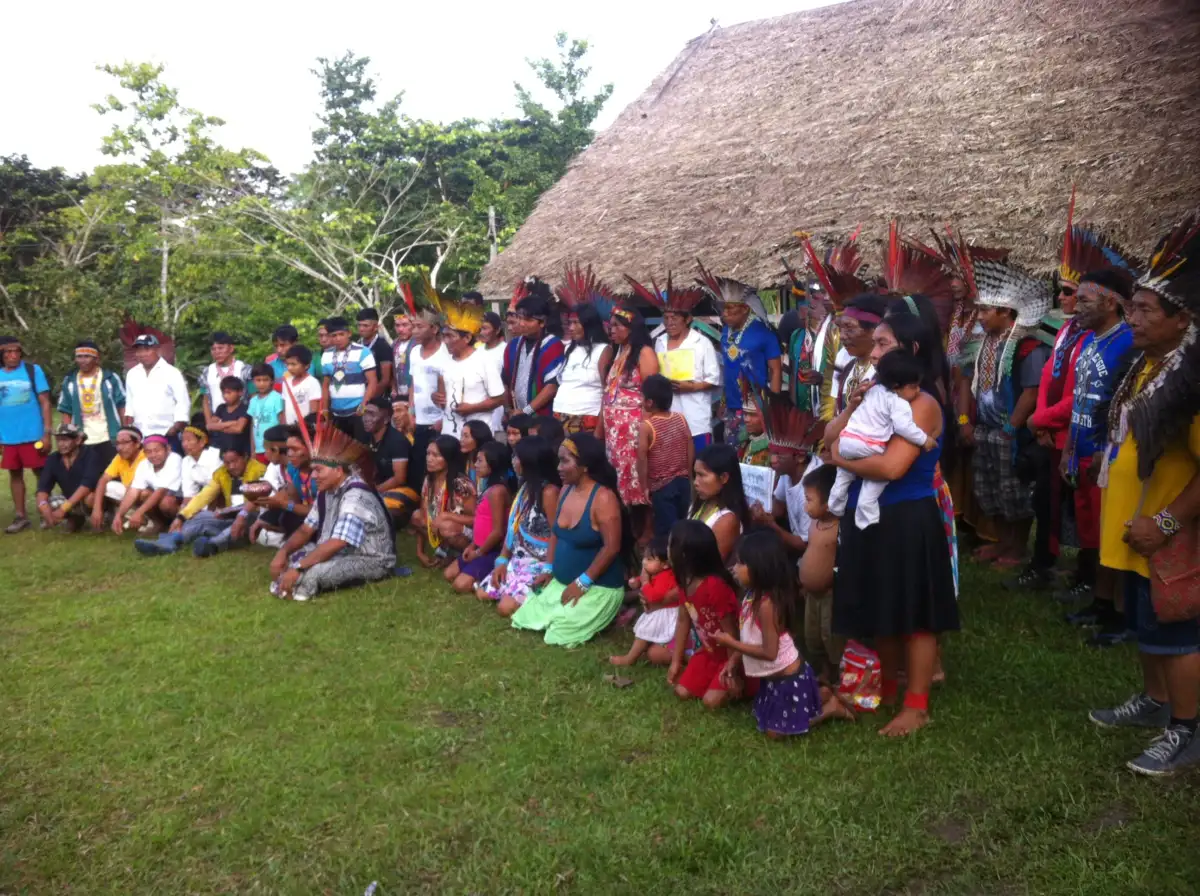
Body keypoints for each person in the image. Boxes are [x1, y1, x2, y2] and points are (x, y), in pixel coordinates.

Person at [1087, 220, 1200, 776]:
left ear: (1183, 319)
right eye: (1130, 308)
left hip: (1169, 530)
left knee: (1177, 631)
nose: (1131, 318)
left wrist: (1169, 524)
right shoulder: (1147, 364)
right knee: (1148, 620)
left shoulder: (1193, 380)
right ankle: (1157, 703)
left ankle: (1187, 729)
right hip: (1137, 526)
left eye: (1145, 311)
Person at [827, 306, 959, 737]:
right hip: (870, 515)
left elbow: (890, 468)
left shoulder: (922, 403)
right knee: (880, 601)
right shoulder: (876, 392)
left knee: (916, 613)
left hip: (907, 515)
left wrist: (840, 457)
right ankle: (883, 688)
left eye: (884, 343)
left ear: (912, 350)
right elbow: (829, 437)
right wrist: (852, 409)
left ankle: (916, 705)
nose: (875, 349)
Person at [715, 529, 852, 734]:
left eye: (741, 563)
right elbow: (750, 638)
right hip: (773, 679)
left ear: (760, 567)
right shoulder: (752, 596)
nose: (735, 568)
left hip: (789, 678)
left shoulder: (767, 605)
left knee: (775, 733)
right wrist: (733, 660)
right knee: (766, 719)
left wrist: (730, 643)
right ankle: (821, 694)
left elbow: (770, 652)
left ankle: (831, 708)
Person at [1061, 270, 1136, 642]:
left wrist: (1103, 451)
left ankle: (1121, 613)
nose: (1076, 307)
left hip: (1107, 454)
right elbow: (1080, 396)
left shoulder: (1126, 343)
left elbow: (1122, 404)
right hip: (1081, 449)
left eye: (1085, 300)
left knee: (1114, 532)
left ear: (1110, 302)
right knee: (1098, 532)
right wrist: (1070, 450)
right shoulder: (1090, 340)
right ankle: (1101, 601)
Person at [965, 262, 1053, 567]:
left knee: (1013, 489)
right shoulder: (984, 343)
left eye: (985, 310)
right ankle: (1002, 541)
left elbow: (1031, 392)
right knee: (989, 487)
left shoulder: (1028, 347)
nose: (979, 316)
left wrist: (1011, 428)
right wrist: (970, 422)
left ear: (1006, 312)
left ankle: (1017, 547)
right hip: (986, 426)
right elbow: (970, 382)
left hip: (1009, 431)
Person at [511, 433, 631, 647]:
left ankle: (615, 609)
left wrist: (582, 583)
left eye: (565, 461)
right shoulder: (565, 490)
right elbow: (556, 532)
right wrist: (548, 569)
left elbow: (611, 548)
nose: (558, 467)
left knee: (558, 634)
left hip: (598, 586)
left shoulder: (603, 498)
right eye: (559, 460)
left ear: (584, 465)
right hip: (562, 581)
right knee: (526, 618)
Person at [269, 422, 396, 601]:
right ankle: (291, 583)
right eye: (313, 471)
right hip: (343, 553)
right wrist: (282, 553)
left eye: (318, 470)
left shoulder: (356, 495)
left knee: (312, 573)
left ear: (337, 470)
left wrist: (299, 568)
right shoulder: (326, 490)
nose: (313, 476)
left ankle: (296, 588)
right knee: (293, 558)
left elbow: (338, 542)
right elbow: (306, 529)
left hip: (372, 559)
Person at [827, 350, 937, 530]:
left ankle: (835, 503)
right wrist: (925, 440)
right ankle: (867, 513)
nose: (918, 391)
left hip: (847, 441)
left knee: (844, 475)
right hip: (868, 445)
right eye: (914, 386)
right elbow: (904, 427)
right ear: (896, 385)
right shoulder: (898, 402)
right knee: (876, 477)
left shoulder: (871, 391)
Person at [632, 275, 721, 451]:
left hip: (695, 417)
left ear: (687, 319)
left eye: (674, 318)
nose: (669, 322)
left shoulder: (701, 343)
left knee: (697, 462)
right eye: (666, 318)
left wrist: (691, 387)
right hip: (668, 415)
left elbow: (713, 379)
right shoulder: (660, 342)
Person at [476, 436, 561, 616]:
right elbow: (512, 529)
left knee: (505, 608)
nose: (513, 462)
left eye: (516, 457)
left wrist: (549, 568)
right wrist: (502, 560)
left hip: (541, 562)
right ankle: (515, 589)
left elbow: (557, 534)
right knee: (482, 594)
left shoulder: (549, 492)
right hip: (519, 558)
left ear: (529, 461)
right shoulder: (525, 488)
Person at [696, 267, 781, 446]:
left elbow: (775, 370)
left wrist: (774, 404)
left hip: (757, 407)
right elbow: (730, 368)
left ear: (745, 309)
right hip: (732, 407)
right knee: (733, 456)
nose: (724, 314)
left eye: (730, 309)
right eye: (723, 309)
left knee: (758, 454)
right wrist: (724, 401)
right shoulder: (726, 331)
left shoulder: (764, 333)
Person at [134, 445, 267, 557]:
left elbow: (259, 502)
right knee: (198, 516)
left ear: (245, 457)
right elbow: (203, 496)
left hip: (253, 518)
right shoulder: (221, 473)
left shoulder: (260, 470)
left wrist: (241, 514)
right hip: (230, 516)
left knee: (245, 517)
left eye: (235, 461)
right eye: (227, 463)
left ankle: (212, 545)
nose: (231, 466)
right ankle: (169, 542)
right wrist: (181, 517)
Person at [789, 234, 867, 422]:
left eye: (829, 292)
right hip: (825, 413)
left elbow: (853, 375)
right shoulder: (826, 326)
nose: (824, 297)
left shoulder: (856, 329)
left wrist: (822, 379)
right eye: (822, 292)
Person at [665, 520, 742, 708]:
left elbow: (732, 634)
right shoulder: (685, 584)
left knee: (711, 702)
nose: (667, 550)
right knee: (681, 692)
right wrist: (676, 661)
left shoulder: (714, 587)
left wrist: (733, 671)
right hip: (710, 653)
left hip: (734, 656)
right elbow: (683, 622)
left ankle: (745, 683)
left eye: (669, 545)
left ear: (683, 554)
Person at [748, 391, 825, 559]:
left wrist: (771, 525)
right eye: (772, 453)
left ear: (799, 457)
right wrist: (761, 513)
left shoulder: (812, 489)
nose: (772, 460)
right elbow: (778, 506)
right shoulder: (786, 471)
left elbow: (804, 544)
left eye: (779, 456)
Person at [600, 306, 659, 508]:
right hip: (615, 435)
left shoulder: (644, 353)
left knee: (636, 478)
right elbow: (607, 393)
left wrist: (646, 431)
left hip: (633, 432)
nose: (612, 330)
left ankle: (646, 529)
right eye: (610, 326)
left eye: (617, 326)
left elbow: (651, 396)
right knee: (618, 477)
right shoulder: (617, 353)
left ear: (631, 327)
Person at [0, 334, 52, 534]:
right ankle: (21, 516)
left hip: (33, 434)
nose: (13, 356)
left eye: (17, 352)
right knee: (15, 474)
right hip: (8, 436)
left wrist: (46, 433)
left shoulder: (32, 371)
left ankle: (45, 511)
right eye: (8, 352)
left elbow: (45, 402)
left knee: (41, 472)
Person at [446, 440, 512, 593]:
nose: (475, 465)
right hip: (479, 546)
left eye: (480, 461)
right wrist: (472, 546)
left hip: (492, 550)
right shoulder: (487, 487)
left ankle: (486, 579)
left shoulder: (497, 492)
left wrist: (478, 553)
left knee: (459, 585)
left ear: (493, 463)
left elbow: (497, 531)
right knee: (448, 574)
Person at [799, 463, 844, 684]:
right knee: (813, 635)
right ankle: (824, 672)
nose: (805, 506)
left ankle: (838, 677)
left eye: (809, 500)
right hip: (811, 595)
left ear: (828, 503)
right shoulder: (815, 524)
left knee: (831, 636)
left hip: (830, 595)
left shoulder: (838, 528)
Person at [437, 300, 505, 438]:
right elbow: (443, 399)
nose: (446, 341)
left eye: (450, 336)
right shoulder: (445, 361)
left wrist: (472, 408)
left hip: (477, 436)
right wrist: (436, 398)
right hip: (450, 436)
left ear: (467, 338)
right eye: (444, 336)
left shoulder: (484, 359)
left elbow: (500, 399)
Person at [609, 535, 678, 667]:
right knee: (645, 633)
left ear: (665, 565)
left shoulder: (666, 577)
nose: (644, 562)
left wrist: (645, 582)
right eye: (644, 558)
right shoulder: (658, 573)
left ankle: (630, 659)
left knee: (644, 632)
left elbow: (654, 596)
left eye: (650, 559)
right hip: (659, 611)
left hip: (664, 613)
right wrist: (638, 582)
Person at [638, 374, 693, 537]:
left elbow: (642, 458)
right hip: (683, 483)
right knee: (683, 525)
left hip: (662, 488)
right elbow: (689, 446)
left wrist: (644, 487)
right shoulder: (680, 418)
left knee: (666, 531)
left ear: (649, 402)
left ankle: (667, 559)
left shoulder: (647, 427)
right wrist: (688, 473)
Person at [56, 340, 125, 469]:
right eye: (79, 357)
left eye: (87, 356)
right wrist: (68, 438)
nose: (83, 360)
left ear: (96, 359)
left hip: (109, 437)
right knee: (87, 478)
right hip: (83, 438)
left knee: (112, 476)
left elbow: (122, 405)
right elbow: (66, 411)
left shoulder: (110, 378)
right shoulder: (70, 381)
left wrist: (125, 432)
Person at [405, 306, 451, 492]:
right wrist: (411, 411)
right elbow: (413, 383)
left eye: (419, 326)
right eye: (413, 326)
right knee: (419, 462)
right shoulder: (415, 351)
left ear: (434, 329)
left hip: (439, 420)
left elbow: (450, 386)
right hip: (419, 418)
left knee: (440, 463)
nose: (414, 331)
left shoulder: (445, 352)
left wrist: (444, 418)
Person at [411, 435, 475, 569]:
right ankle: (445, 552)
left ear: (449, 458)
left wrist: (447, 515)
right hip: (441, 527)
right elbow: (423, 514)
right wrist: (419, 552)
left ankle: (462, 555)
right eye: (428, 453)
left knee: (446, 526)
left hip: (466, 534)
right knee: (417, 516)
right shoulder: (429, 480)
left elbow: (476, 520)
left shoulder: (461, 484)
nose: (429, 458)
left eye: (436, 455)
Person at [503, 290, 564, 419]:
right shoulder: (513, 345)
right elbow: (505, 381)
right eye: (519, 318)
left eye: (528, 319)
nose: (521, 323)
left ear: (542, 322)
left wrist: (526, 411)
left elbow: (551, 386)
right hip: (516, 415)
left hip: (542, 418)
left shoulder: (553, 346)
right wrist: (508, 409)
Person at [251, 426, 318, 542]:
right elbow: (292, 498)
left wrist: (282, 504)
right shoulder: (293, 469)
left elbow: (317, 512)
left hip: (322, 519)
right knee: (284, 518)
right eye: (288, 449)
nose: (290, 453)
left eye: (295, 449)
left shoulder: (320, 474)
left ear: (310, 449)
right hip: (306, 514)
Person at [553, 303, 611, 435]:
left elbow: (607, 391)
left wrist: (600, 429)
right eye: (569, 323)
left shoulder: (603, 350)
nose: (571, 328)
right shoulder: (569, 348)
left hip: (587, 414)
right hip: (560, 412)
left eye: (575, 323)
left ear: (588, 324)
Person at [689, 443, 750, 563]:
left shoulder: (727, 520)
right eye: (695, 475)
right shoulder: (700, 504)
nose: (696, 482)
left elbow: (709, 566)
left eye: (702, 475)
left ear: (724, 478)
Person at [357, 397, 416, 522]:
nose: (366, 418)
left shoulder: (397, 441)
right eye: (365, 413)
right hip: (380, 486)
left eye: (372, 414)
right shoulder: (366, 437)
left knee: (374, 506)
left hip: (405, 489)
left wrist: (373, 491)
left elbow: (399, 479)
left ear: (386, 420)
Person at [830, 293, 890, 417]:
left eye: (849, 328)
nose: (841, 336)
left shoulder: (887, 372)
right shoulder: (848, 367)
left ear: (874, 331)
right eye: (840, 328)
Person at [34, 423, 101, 532]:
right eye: (58, 440)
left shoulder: (90, 455)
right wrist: (43, 506)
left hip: (90, 497)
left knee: (90, 498)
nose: (61, 444)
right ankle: (75, 519)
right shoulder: (53, 459)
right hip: (69, 498)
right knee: (44, 503)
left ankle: (101, 518)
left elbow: (87, 486)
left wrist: (63, 508)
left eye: (65, 440)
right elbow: (43, 487)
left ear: (78, 440)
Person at [123, 334, 189, 442]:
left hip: (166, 433)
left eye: (147, 349)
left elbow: (182, 402)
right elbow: (129, 402)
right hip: (140, 435)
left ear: (157, 350)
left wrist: (176, 428)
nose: (142, 354)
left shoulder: (172, 373)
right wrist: (128, 424)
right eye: (139, 350)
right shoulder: (132, 374)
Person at [320, 316, 380, 435]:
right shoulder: (326, 355)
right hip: (336, 413)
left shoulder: (363, 352)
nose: (338, 338)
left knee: (360, 448)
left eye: (341, 334)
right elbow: (326, 385)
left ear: (349, 333)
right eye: (334, 335)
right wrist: (325, 409)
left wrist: (364, 405)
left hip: (357, 411)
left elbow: (373, 381)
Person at [122, 434, 184, 534]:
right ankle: (159, 524)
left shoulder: (175, 459)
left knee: (166, 502)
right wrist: (119, 515)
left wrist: (139, 513)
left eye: (157, 450)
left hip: (180, 501)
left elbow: (162, 490)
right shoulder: (144, 464)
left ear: (168, 449)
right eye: (149, 452)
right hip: (159, 499)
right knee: (143, 494)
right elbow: (133, 491)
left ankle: (180, 525)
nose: (153, 455)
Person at [89, 426, 145, 533]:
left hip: (145, 497)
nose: (120, 447)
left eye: (124, 443)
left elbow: (136, 488)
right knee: (108, 487)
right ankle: (127, 515)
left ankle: (144, 518)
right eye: (118, 443)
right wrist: (97, 509)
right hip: (130, 494)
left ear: (137, 444)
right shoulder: (120, 457)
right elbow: (103, 479)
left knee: (143, 493)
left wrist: (119, 514)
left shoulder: (145, 457)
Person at [199, 332, 251, 424]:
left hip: (241, 421)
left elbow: (253, 396)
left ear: (231, 348)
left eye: (220, 348)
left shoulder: (245, 369)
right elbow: (205, 399)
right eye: (213, 349)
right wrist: (209, 424)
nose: (217, 352)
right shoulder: (207, 372)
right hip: (216, 421)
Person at [476, 311, 508, 435]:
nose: (482, 332)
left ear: (497, 329)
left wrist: (506, 409)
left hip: (498, 405)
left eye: (485, 328)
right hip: (479, 403)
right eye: (480, 329)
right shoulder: (477, 350)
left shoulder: (505, 350)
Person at [247, 363, 285, 463]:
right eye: (258, 380)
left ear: (272, 381)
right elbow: (253, 426)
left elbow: (282, 421)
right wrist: (253, 450)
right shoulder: (253, 400)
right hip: (259, 449)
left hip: (273, 448)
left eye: (265, 380)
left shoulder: (277, 398)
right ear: (253, 381)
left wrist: (282, 447)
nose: (261, 384)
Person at [207, 376, 252, 456]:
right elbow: (210, 426)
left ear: (240, 392)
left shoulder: (244, 408)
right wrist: (231, 423)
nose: (225, 396)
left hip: (241, 453)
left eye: (229, 393)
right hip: (224, 451)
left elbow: (238, 429)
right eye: (223, 393)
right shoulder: (221, 408)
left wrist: (219, 426)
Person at [180, 423, 223, 507]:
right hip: (206, 498)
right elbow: (189, 494)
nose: (184, 444)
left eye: (189, 440)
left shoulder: (214, 456)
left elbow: (216, 489)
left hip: (222, 497)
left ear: (202, 442)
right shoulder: (186, 461)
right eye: (183, 440)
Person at [356, 308, 393, 397]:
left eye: (365, 326)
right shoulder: (356, 346)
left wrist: (369, 398)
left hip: (376, 398)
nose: (361, 329)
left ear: (376, 327)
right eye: (359, 325)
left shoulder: (383, 346)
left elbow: (385, 380)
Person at [280, 346, 321, 424]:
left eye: (293, 364)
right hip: (290, 428)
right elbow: (285, 408)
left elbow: (314, 411)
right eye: (288, 364)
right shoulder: (286, 383)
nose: (289, 368)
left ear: (307, 366)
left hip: (305, 428)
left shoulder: (312, 383)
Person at [459, 419, 493, 487]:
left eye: (466, 436)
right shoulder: (463, 459)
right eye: (461, 436)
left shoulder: (488, 460)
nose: (461, 440)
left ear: (478, 437)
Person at [391, 305, 415, 400]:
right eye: (397, 325)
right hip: (399, 395)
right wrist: (393, 388)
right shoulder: (394, 344)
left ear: (413, 325)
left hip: (415, 395)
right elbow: (391, 371)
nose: (400, 329)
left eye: (405, 325)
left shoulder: (419, 344)